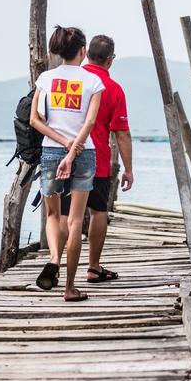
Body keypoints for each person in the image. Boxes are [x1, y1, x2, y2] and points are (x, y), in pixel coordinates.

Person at [29, 26, 103, 302]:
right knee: (75, 221)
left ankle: (54, 258)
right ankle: (70, 288)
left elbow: (35, 120)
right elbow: (91, 122)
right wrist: (72, 150)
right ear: (83, 51)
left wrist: (61, 142)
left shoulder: (45, 79)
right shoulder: (93, 81)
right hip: (84, 154)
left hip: (50, 152)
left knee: (52, 215)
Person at [58, 34, 134, 284]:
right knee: (98, 212)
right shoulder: (112, 89)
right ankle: (93, 266)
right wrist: (128, 169)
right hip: (98, 160)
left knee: (64, 215)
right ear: (110, 60)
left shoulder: (72, 82)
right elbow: (121, 134)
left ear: (86, 53)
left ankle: (55, 264)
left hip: (66, 157)